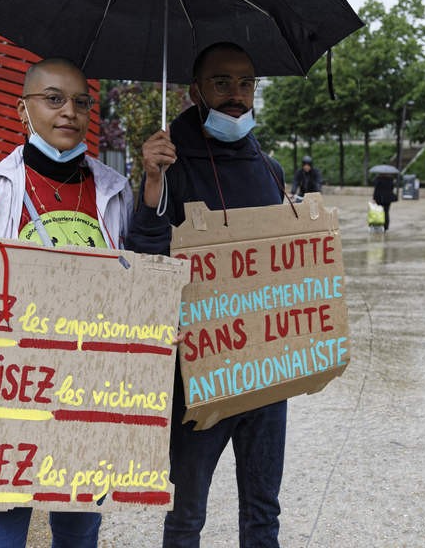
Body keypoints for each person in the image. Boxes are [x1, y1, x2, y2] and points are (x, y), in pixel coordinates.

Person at [0, 57, 133, 547]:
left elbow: (135, 288)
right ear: (22, 111)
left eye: (81, 102)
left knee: (77, 536)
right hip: (0, 404)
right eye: (53, 99)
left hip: (85, 402)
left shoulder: (115, 194)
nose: (68, 111)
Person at [127, 42, 287, 548]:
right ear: (196, 91)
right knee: (186, 512)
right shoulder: (170, 161)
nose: (236, 95)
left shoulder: (270, 167)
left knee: (264, 511)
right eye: (222, 83)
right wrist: (153, 180)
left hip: (268, 368)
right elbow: (146, 254)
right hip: (198, 370)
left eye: (246, 83)